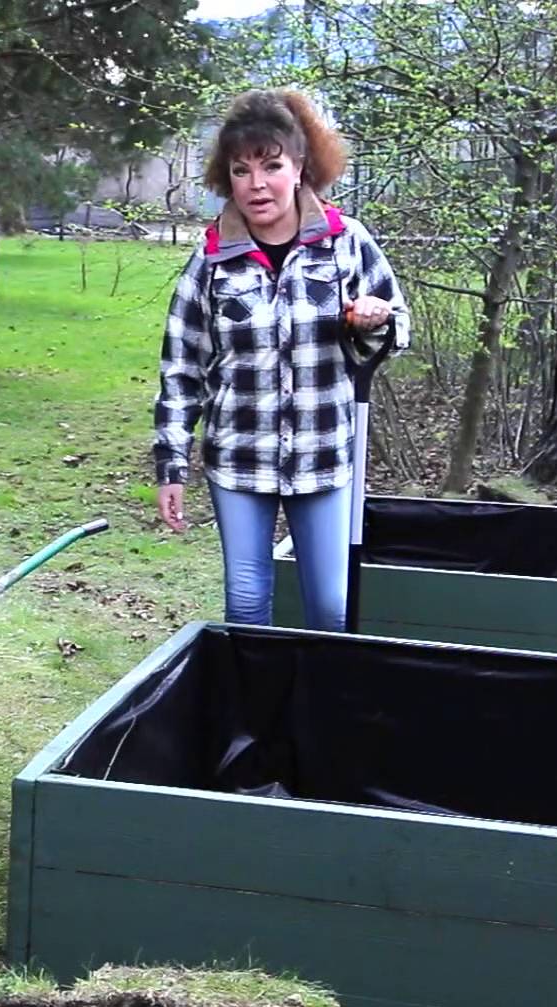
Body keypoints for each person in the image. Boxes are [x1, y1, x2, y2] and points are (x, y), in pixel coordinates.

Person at [151, 89, 408, 631]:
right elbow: (181, 369)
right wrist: (171, 465)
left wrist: (374, 319)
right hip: (239, 457)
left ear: (300, 167)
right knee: (246, 606)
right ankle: (254, 688)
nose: (257, 184)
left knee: (332, 607)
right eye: (241, 170)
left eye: (271, 166)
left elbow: (397, 327)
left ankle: (320, 687)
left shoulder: (345, 243)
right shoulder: (211, 259)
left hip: (323, 455)